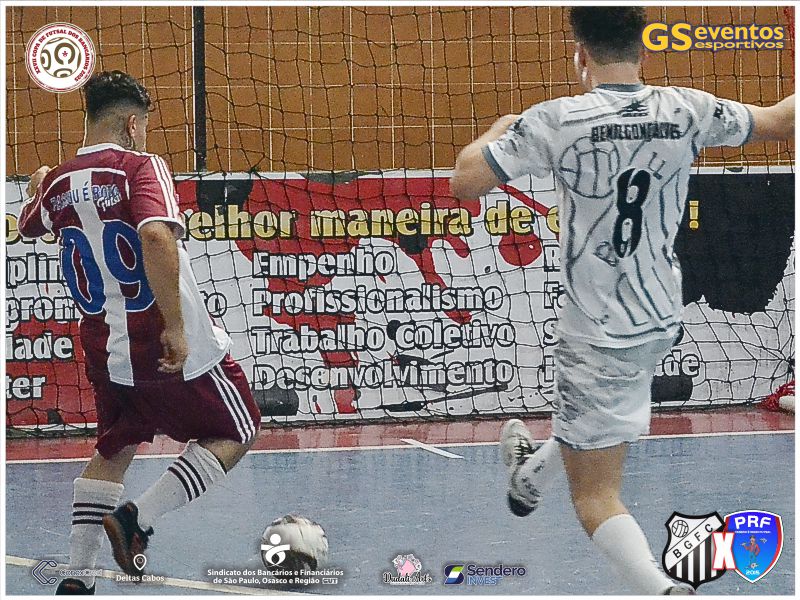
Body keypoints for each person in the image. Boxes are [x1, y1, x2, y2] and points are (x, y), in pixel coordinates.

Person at [450, 6, 794, 596]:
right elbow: (781, 120)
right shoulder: (686, 109)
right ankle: (528, 477)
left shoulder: (555, 119)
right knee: (593, 421)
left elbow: (465, 181)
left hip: (596, 329)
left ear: (580, 53)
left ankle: (659, 589)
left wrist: (497, 129)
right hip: (659, 316)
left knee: (595, 494)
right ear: (644, 50)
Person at [19, 71, 261, 594]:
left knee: (115, 448)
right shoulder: (140, 167)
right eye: (144, 125)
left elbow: (27, 225)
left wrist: (40, 182)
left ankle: (78, 577)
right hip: (158, 340)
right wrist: (175, 326)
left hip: (106, 348)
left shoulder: (58, 183)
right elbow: (154, 235)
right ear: (132, 124)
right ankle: (136, 518)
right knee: (238, 429)